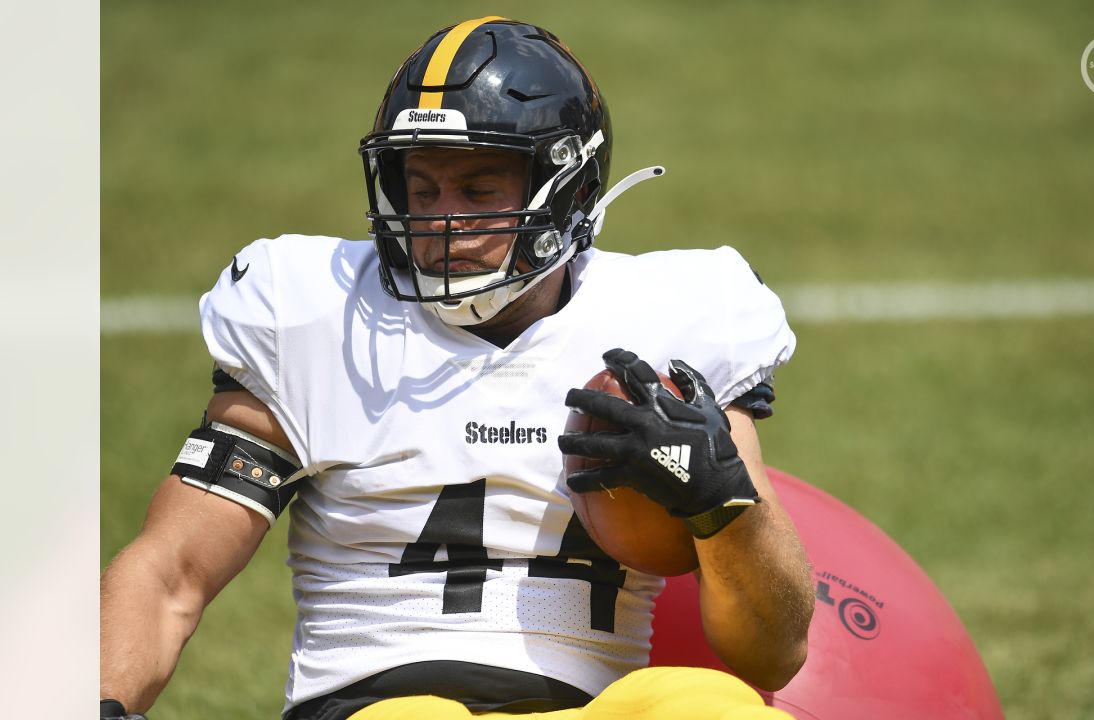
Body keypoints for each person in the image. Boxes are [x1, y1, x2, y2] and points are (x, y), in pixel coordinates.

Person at [100, 16, 813, 720]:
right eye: (421, 188)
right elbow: (171, 573)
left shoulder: (680, 317)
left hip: (584, 707)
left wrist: (722, 503)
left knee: (708, 703)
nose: (440, 224)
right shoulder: (313, 315)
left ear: (568, 189)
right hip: (376, 704)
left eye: (477, 191)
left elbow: (773, 655)